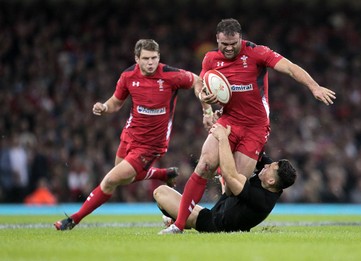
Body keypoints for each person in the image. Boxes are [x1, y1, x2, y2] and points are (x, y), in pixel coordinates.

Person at [159, 18, 336, 234]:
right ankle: (178, 225)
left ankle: (226, 219)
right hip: (229, 119)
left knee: (235, 186)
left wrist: (313, 86)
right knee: (205, 165)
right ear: (218, 39)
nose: (229, 48)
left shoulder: (257, 52)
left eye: (234, 43)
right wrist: (205, 106)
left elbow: (289, 67)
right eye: (225, 44)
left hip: (256, 127)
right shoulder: (210, 59)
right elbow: (203, 88)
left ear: (240, 38)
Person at [54, 39, 200, 230]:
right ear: (137, 58)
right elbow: (116, 101)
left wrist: (205, 107)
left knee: (110, 180)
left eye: (154, 58)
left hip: (151, 145)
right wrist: (104, 107)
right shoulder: (128, 76)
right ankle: (163, 173)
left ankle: (74, 219)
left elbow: (197, 80)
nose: (151, 62)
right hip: (130, 136)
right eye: (146, 58)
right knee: (126, 178)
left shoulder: (170, 75)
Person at [156, 124, 296, 233]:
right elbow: (255, 151)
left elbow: (230, 175)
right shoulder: (272, 181)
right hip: (215, 212)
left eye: (269, 167)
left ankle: (180, 221)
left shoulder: (262, 199)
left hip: (215, 225)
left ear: (271, 181)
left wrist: (223, 138)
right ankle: (177, 219)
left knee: (160, 192)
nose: (265, 166)